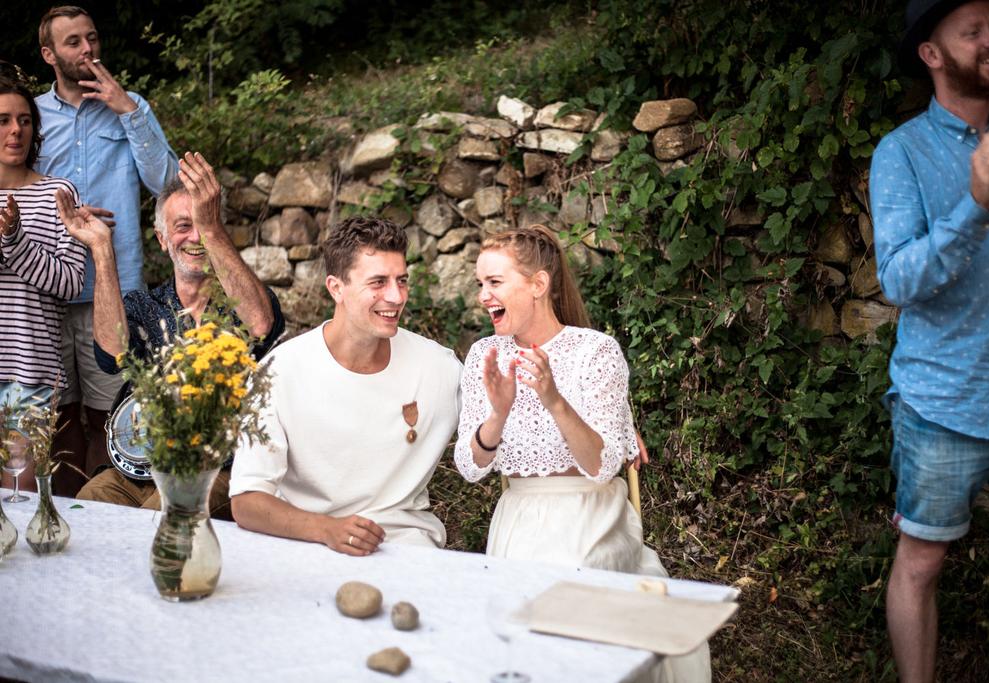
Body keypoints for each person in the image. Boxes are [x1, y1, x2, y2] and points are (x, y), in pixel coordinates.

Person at [453, 224, 711, 683]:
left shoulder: (595, 351)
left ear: (538, 285)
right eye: (480, 284)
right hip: (518, 516)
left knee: (567, 605)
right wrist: (498, 413)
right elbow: (470, 468)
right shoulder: (483, 355)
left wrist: (554, 399)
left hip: (592, 514)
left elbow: (600, 465)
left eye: (494, 282)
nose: (482, 296)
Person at [871, 1, 989, 681]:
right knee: (923, 560)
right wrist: (974, 206)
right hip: (946, 399)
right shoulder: (901, 153)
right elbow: (900, 278)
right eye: (973, 32)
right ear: (931, 54)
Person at [57, 151, 284, 517]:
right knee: (86, 510)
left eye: (203, 224)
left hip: (218, 468)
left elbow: (260, 324)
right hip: (137, 468)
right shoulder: (146, 306)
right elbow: (112, 354)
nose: (195, 237)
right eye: (182, 226)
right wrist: (101, 251)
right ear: (162, 240)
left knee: (161, 514)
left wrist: (212, 229)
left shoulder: (241, 301)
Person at [230, 216, 462, 554]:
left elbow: (505, 435)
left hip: (408, 550)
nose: (396, 296)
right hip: (306, 547)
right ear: (336, 287)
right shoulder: (281, 372)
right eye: (379, 282)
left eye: (402, 280)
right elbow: (247, 501)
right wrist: (326, 530)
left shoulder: (440, 368)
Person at [35, 5, 178, 495]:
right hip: (46, 290)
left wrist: (127, 110)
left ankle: (102, 514)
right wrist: (63, 217)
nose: (88, 49)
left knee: (109, 415)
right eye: (73, 42)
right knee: (57, 416)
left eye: (92, 38)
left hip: (113, 290)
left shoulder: (131, 106)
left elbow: (166, 181)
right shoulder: (29, 116)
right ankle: (66, 513)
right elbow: (15, 187)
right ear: (49, 54)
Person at [0, 68, 86, 494]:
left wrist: (14, 241)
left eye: (25, 120)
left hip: (30, 370)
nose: (16, 130)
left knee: (17, 495)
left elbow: (70, 283)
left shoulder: (59, 194)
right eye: (3, 120)